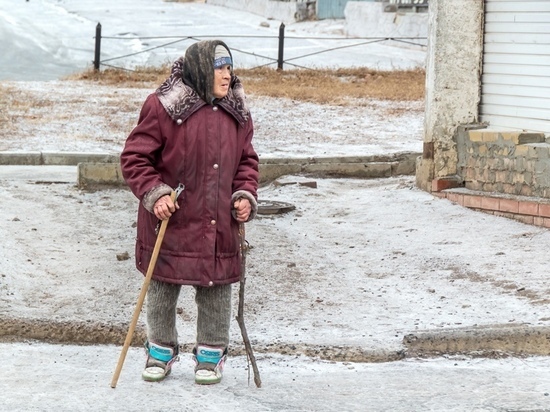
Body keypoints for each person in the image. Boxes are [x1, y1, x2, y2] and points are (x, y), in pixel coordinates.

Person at [120, 40, 259, 385]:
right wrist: (155, 193)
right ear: (200, 70)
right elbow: (135, 158)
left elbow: (246, 161)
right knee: (163, 286)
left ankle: (211, 355)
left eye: (230, 67)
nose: (228, 75)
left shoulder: (237, 111)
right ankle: (160, 351)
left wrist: (244, 194)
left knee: (215, 287)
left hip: (218, 220)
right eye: (220, 68)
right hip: (171, 218)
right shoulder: (163, 106)